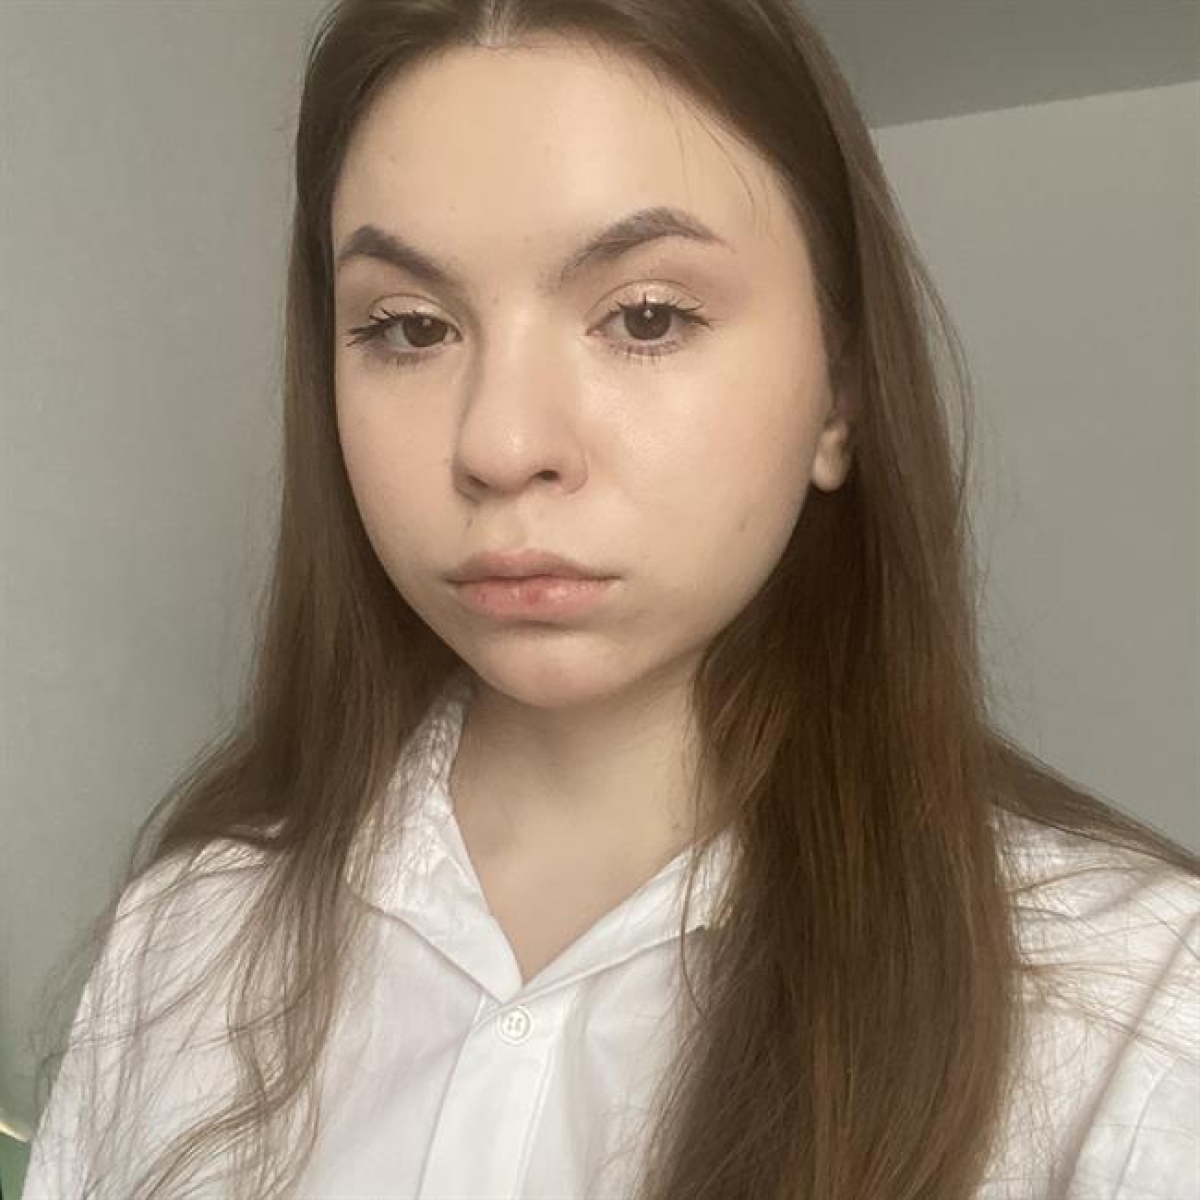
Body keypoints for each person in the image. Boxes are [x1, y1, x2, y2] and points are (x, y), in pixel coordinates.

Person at [22, 1, 1199, 1197]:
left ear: (839, 394)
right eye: (410, 329)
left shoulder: (1132, 1018)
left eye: (646, 317)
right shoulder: (190, 934)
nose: (501, 444)